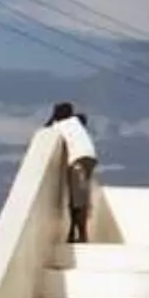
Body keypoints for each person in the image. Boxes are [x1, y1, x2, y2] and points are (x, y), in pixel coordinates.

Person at [47, 102, 98, 243]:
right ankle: (74, 233)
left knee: (77, 200)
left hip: (77, 160)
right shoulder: (76, 121)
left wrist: (53, 118)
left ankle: (80, 235)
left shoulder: (59, 125)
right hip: (90, 159)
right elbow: (83, 118)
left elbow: (46, 129)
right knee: (79, 197)